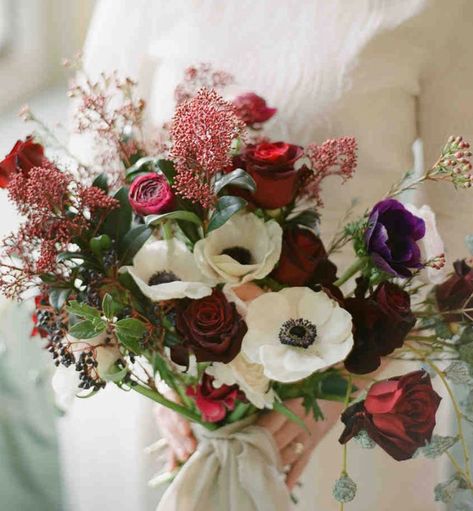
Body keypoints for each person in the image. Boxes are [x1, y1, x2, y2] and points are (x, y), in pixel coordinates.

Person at [66, 1, 473, 509]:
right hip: (169, 392)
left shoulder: (435, 10)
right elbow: (91, 188)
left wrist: (345, 384)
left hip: (337, 403)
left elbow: (459, 226)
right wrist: (154, 369)